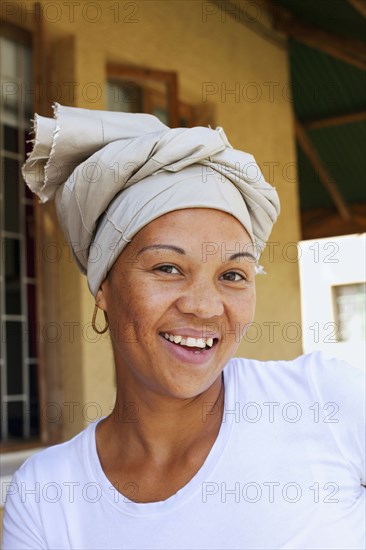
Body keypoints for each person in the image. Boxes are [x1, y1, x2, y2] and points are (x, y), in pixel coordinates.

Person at [2, 104, 365, 549]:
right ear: (104, 288)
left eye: (233, 275)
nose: (205, 307)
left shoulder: (326, 402)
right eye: (169, 268)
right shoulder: (47, 496)